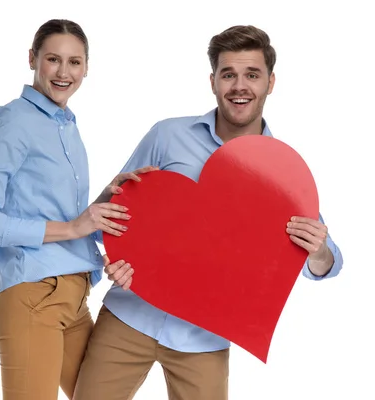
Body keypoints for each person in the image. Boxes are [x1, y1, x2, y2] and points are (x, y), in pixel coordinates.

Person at [73, 25, 344, 400]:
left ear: (271, 82)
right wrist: (118, 255)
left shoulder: (281, 170)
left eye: (252, 74)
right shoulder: (166, 135)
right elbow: (114, 214)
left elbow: (322, 264)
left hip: (204, 338)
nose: (239, 86)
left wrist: (318, 250)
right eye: (228, 74)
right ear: (213, 81)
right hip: (129, 314)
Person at [0, 19, 154, 400]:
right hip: (33, 295)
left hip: (74, 294)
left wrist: (108, 200)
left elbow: (69, 217)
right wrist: (71, 228)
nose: (64, 73)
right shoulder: (15, 120)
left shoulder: (65, 124)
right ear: (33, 59)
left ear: (86, 67)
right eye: (53, 59)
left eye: (75, 62)